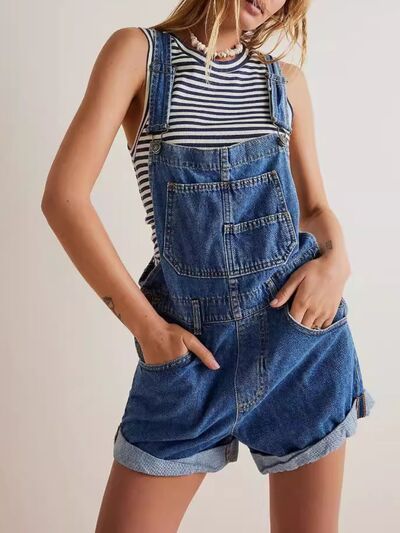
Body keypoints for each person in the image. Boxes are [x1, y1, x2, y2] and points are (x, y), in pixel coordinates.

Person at [41, 0, 375, 531]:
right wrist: (150, 331)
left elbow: (314, 210)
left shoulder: (285, 82)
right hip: (190, 362)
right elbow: (64, 199)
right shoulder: (138, 54)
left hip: (301, 345)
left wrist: (337, 264)